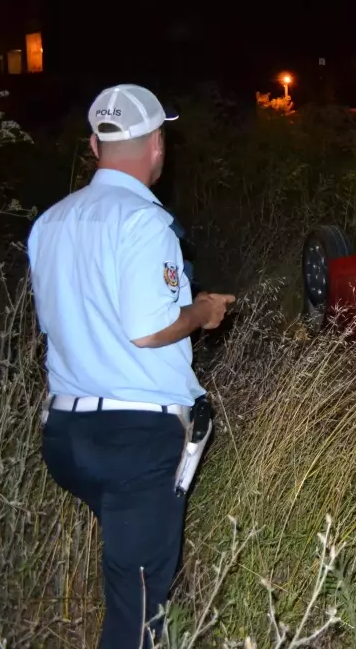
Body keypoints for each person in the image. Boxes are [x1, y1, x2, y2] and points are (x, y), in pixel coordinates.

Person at [26, 84, 236, 648]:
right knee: (137, 607)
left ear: (96, 144)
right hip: (134, 439)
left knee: (137, 564)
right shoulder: (144, 223)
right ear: (158, 146)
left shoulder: (48, 224)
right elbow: (148, 328)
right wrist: (203, 310)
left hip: (67, 434)